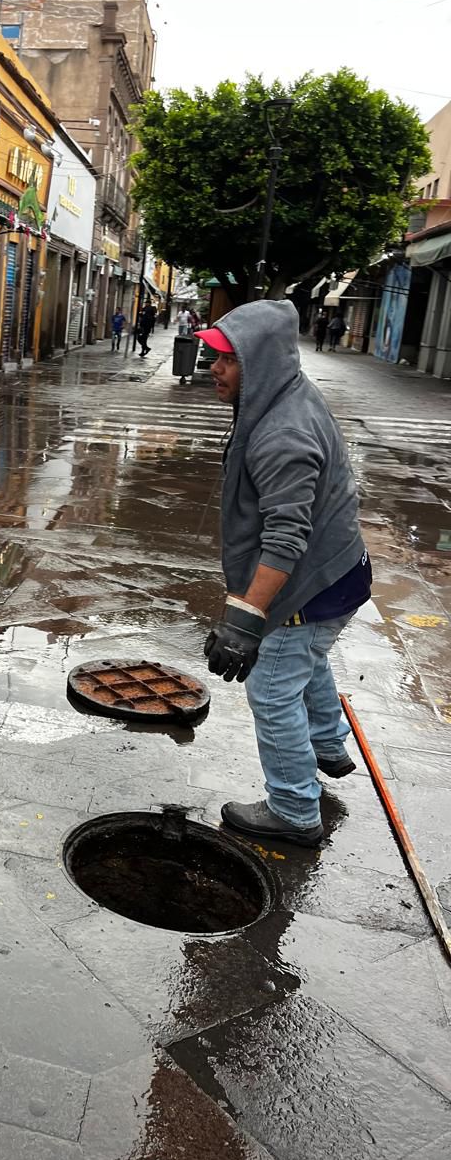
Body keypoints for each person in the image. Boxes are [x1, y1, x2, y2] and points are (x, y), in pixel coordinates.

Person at [195, 300, 372, 847]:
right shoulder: (284, 392)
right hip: (341, 569)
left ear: (260, 361)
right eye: (211, 356)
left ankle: (295, 809)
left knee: (272, 689)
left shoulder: (281, 432)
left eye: (226, 359)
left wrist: (246, 620)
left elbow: (286, 538)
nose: (212, 368)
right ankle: (327, 744)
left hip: (313, 583)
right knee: (309, 658)